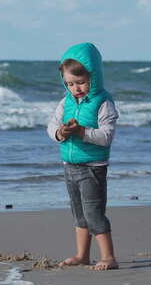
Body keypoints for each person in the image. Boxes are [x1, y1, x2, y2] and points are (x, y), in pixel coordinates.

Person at [47, 42, 119, 271]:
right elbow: (51, 125)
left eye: (81, 82)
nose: (76, 88)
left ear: (94, 77)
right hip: (70, 164)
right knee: (78, 213)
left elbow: (106, 136)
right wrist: (60, 133)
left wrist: (81, 132)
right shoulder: (66, 101)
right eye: (70, 83)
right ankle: (82, 254)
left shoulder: (103, 101)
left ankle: (108, 256)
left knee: (94, 212)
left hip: (93, 166)